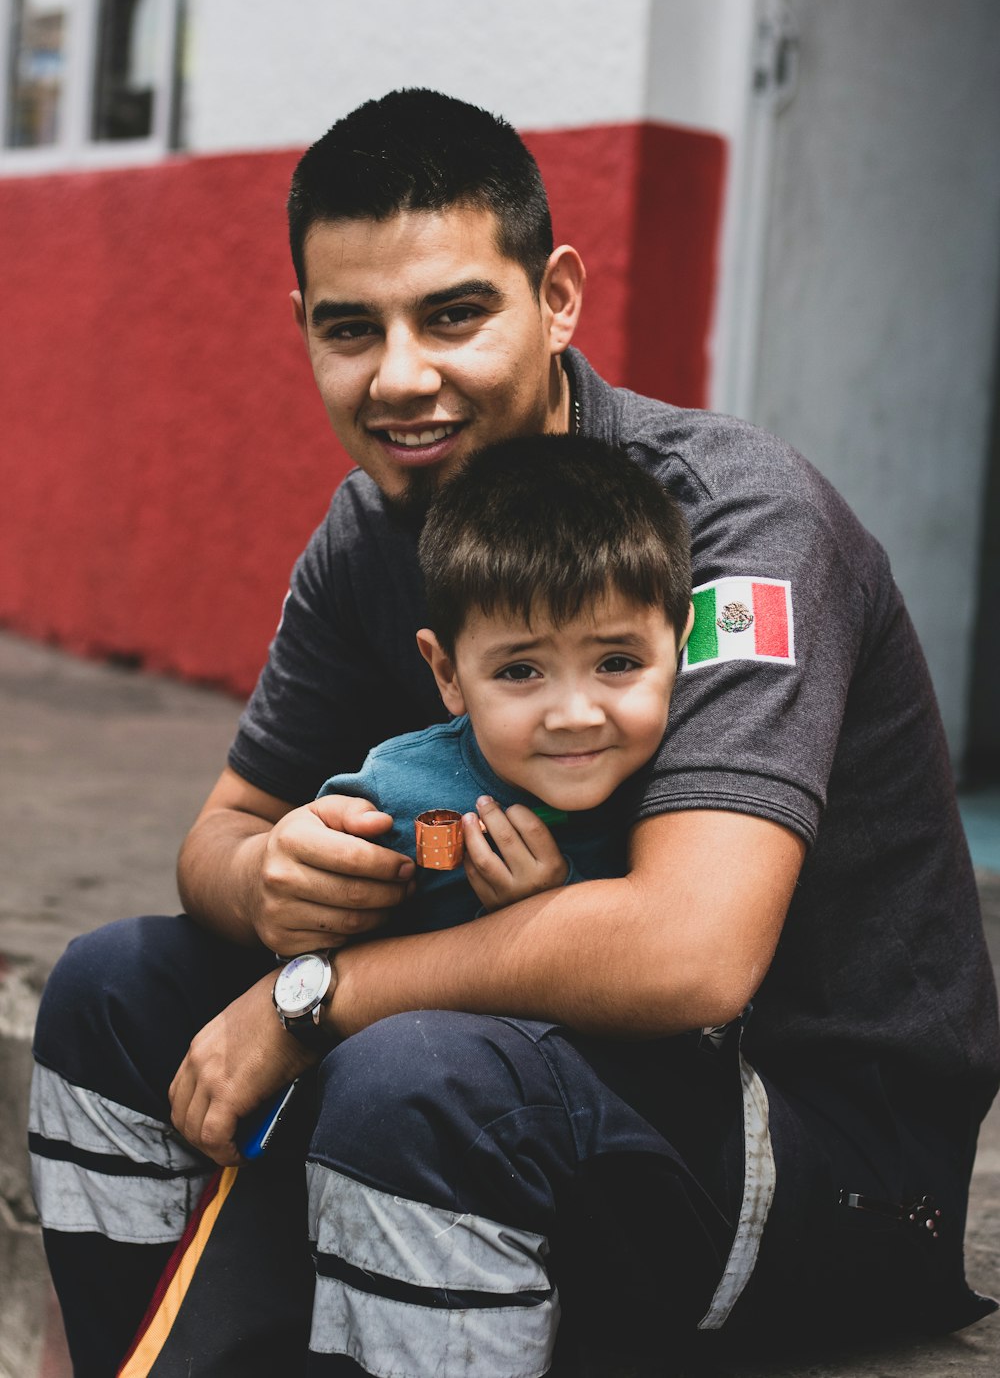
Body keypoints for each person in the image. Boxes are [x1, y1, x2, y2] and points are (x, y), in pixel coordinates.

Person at [30, 88, 999, 1378]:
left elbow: (691, 955)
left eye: (453, 314)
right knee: (111, 987)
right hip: (534, 1073)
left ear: (557, 298)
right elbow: (221, 836)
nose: (401, 378)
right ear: (303, 331)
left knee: (414, 1074)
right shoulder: (371, 533)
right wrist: (274, 883)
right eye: (349, 329)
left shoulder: (730, 523)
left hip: (824, 1145)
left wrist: (317, 994)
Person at [316, 432, 693, 938]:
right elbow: (311, 912)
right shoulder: (389, 801)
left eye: (617, 662)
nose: (576, 715)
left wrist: (556, 910)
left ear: (680, 644)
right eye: (520, 671)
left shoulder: (693, 795)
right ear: (448, 674)